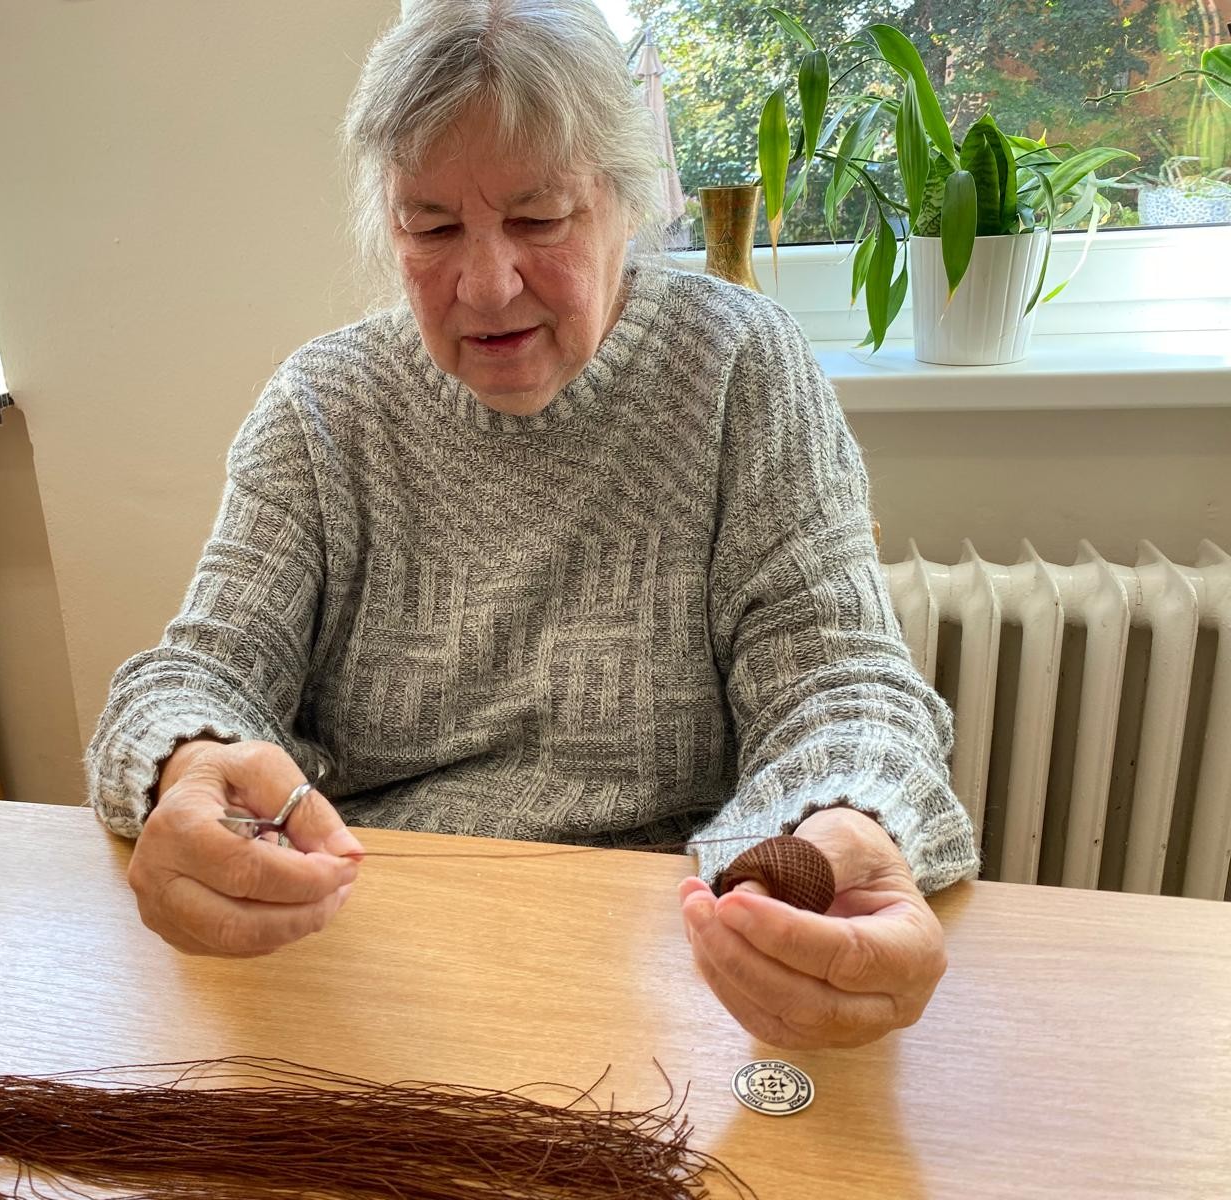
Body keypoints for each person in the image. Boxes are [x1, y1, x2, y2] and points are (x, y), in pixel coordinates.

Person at [86, 0, 978, 1048]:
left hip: (672, 953)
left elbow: (841, 681)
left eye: (540, 218)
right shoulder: (323, 405)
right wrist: (186, 763)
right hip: (365, 940)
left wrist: (839, 827)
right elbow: (201, 670)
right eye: (431, 228)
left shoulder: (738, 364)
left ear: (626, 204)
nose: (485, 284)